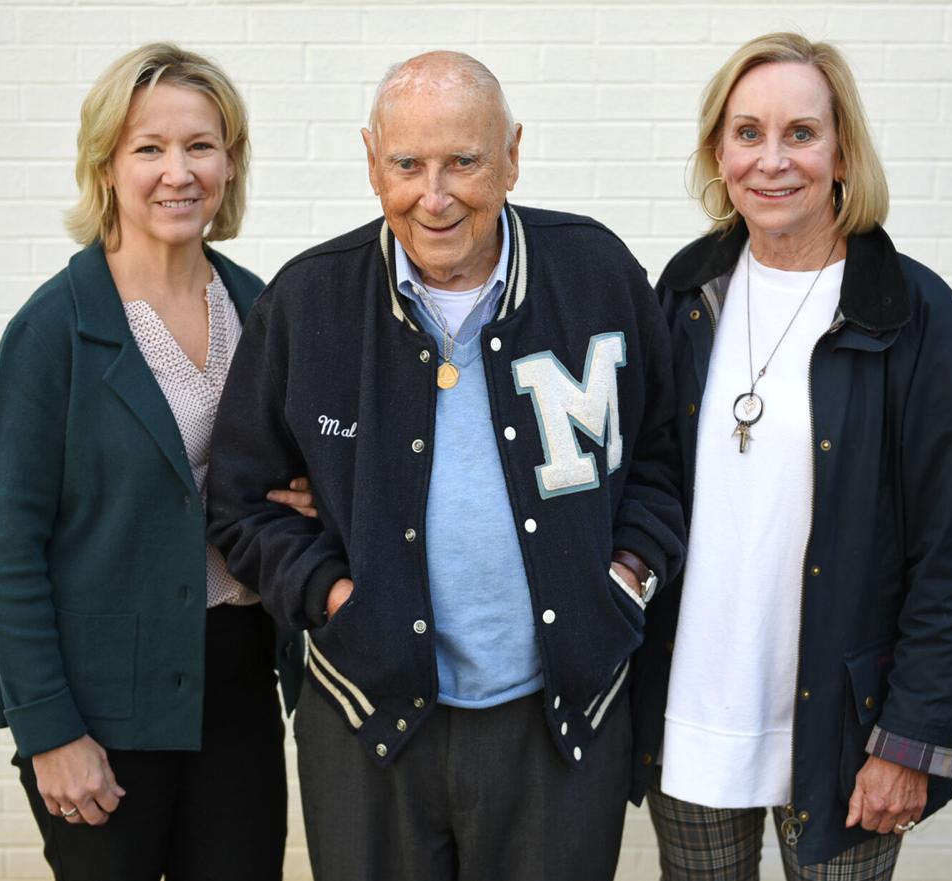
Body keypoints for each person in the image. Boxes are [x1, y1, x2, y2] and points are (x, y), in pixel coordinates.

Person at [206, 50, 686, 881]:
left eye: (463, 161)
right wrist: (335, 595)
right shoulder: (308, 301)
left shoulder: (597, 273)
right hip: (369, 717)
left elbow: (661, 456)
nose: (435, 195)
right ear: (370, 161)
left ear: (511, 154)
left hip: (560, 715)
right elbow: (244, 503)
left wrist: (627, 576)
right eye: (407, 165)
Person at [627, 32, 952, 880]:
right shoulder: (684, 295)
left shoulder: (913, 314)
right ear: (718, 151)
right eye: (748, 132)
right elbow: (633, 477)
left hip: (845, 731)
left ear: (842, 152)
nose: (773, 160)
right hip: (697, 710)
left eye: (801, 133)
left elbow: (950, 553)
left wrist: (912, 740)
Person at [0, 43, 300, 881]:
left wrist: (308, 500)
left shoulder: (262, 308)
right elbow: (9, 549)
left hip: (238, 685)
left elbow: (289, 479)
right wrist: (48, 731)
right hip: (101, 706)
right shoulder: (53, 330)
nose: (177, 172)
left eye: (200, 145)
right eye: (148, 148)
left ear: (230, 161)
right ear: (106, 165)